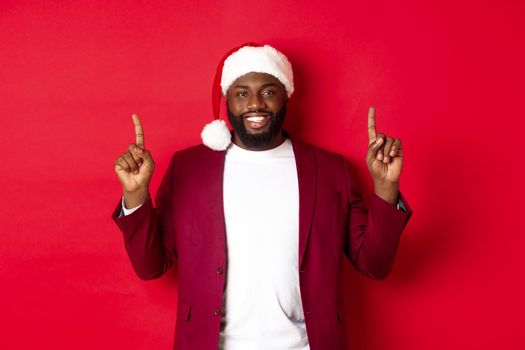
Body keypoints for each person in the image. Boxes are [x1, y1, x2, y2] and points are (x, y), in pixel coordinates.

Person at [112, 43, 412, 350]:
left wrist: (385, 187)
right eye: (242, 92)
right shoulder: (189, 168)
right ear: (226, 99)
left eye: (269, 91)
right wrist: (135, 195)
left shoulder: (331, 171)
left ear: (286, 96)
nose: (256, 103)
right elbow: (151, 266)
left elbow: (374, 264)